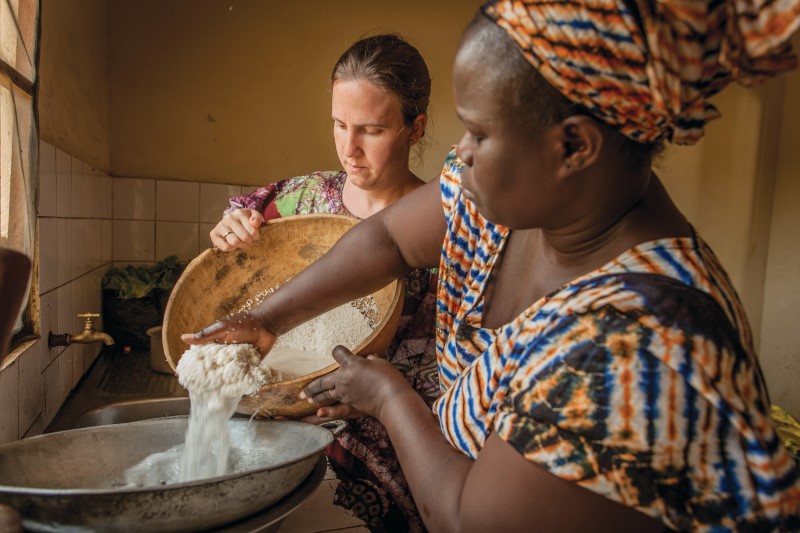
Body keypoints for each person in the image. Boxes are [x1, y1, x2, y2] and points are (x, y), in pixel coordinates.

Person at [185, 1, 800, 531]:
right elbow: (389, 242)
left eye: (479, 132)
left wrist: (391, 398)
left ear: (574, 147)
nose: (460, 152)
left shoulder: (633, 344)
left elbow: (465, 521)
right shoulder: (503, 204)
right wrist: (267, 318)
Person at [208, 34, 438, 532]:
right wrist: (229, 232)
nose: (349, 148)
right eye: (339, 124)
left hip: (392, 464)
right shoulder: (298, 202)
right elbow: (230, 279)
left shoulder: (439, 229)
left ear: (413, 128)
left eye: (372, 130)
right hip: (282, 447)